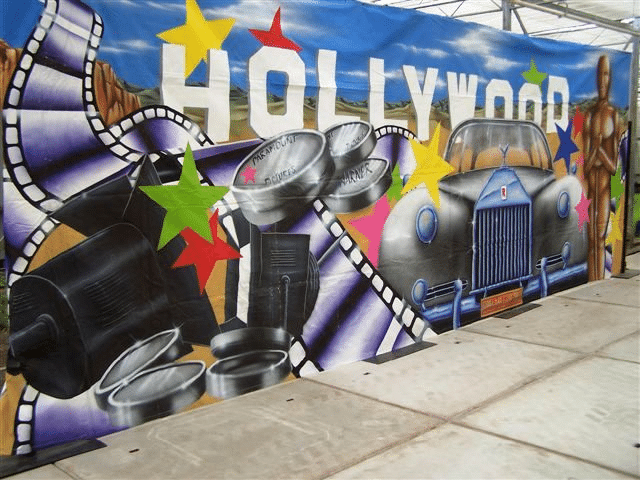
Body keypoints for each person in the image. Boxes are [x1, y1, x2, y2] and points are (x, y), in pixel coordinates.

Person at [583, 55, 623, 280]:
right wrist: (596, 152)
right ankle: (592, 281)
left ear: (610, 78)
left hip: (605, 191)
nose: (602, 81)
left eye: (606, 75)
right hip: (592, 189)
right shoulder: (590, 116)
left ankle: (598, 281)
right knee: (591, 240)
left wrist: (599, 150)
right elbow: (587, 167)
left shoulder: (614, 116)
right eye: (599, 75)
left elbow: (614, 166)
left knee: (599, 237)